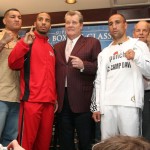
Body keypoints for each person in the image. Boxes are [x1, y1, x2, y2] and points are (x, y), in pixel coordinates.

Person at [91, 13, 150, 140]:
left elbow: (149, 73)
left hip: (129, 103)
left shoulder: (139, 45)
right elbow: (99, 81)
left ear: (125, 25)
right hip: (107, 106)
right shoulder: (104, 53)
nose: (114, 26)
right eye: (110, 24)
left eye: (117, 22)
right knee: (107, 144)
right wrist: (96, 106)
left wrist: (136, 57)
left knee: (131, 144)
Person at [8, 12, 57, 150]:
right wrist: (24, 44)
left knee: (44, 144)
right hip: (31, 101)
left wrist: (55, 98)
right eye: (40, 20)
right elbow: (12, 63)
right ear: (35, 24)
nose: (43, 22)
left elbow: (52, 76)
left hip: (49, 103)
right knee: (25, 145)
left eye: (47, 20)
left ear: (50, 25)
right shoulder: (26, 42)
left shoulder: (51, 48)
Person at [54, 10, 101, 150]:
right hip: (62, 102)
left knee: (86, 141)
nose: (70, 25)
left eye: (74, 22)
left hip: (83, 101)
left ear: (81, 25)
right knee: (65, 142)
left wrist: (83, 65)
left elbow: (99, 68)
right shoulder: (57, 47)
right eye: (67, 22)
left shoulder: (92, 42)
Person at [0, 8, 22, 146]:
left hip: (18, 98)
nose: (17, 19)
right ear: (4, 20)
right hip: (1, 96)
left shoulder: (23, 42)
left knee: (10, 141)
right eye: (13, 16)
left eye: (19, 17)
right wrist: (3, 42)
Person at [133, 20, 150, 141]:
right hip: (133, 95)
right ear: (134, 33)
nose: (141, 33)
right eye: (138, 30)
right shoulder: (129, 50)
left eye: (144, 30)